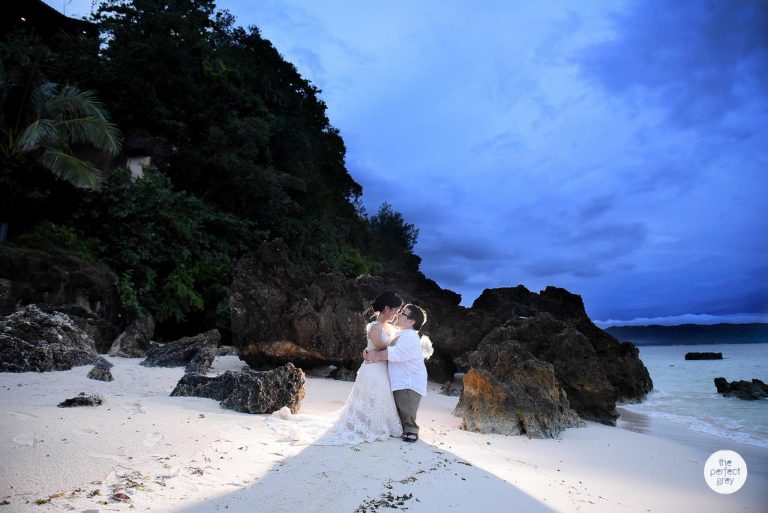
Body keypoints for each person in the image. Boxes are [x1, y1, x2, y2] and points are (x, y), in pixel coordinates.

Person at [269, 291, 405, 445]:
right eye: (395, 310)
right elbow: (382, 345)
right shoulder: (374, 326)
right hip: (373, 370)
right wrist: (399, 340)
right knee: (370, 398)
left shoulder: (390, 327)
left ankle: (381, 424)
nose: (397, 313)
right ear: (387, 308)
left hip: (382, 368)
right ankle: (367, 426)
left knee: (380, 399)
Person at [363, 303, 428, 443]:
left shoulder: (410, 336)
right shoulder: (401, 333)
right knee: (400, 407)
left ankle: (412, 430)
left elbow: (399, 353)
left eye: (403, 313)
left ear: (411, 322)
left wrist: (377, 356)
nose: (398, 314)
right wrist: (372, 350)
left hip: (409, 382)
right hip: (401, 380)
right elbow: (387, 345)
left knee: (407, 409)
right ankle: (404, 428)